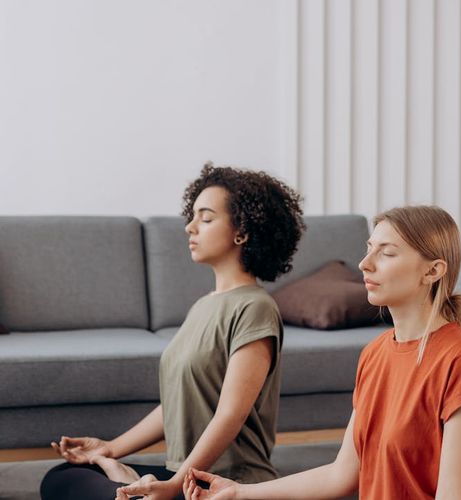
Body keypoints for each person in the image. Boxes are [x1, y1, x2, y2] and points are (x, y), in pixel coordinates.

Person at [181, 205, 461, 500]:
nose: (365, 264)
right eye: (369, 250)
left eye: (387, 253)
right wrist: (239, 492)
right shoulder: (375, 354)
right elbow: (342, 475)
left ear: (433, 271)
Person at [40, 163, 305, 500]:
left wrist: (174, 483)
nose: (190, 228)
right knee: (64, 477)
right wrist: (109, 449)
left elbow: (230, 414)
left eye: (206, 218)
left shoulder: (255, 307)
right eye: (192, 216)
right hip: (186, 476)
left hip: (225, 483)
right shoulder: (203, 306)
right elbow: (177, 402)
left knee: (103, 490)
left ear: (242, 231)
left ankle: (129, 486)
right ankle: (127, 483)